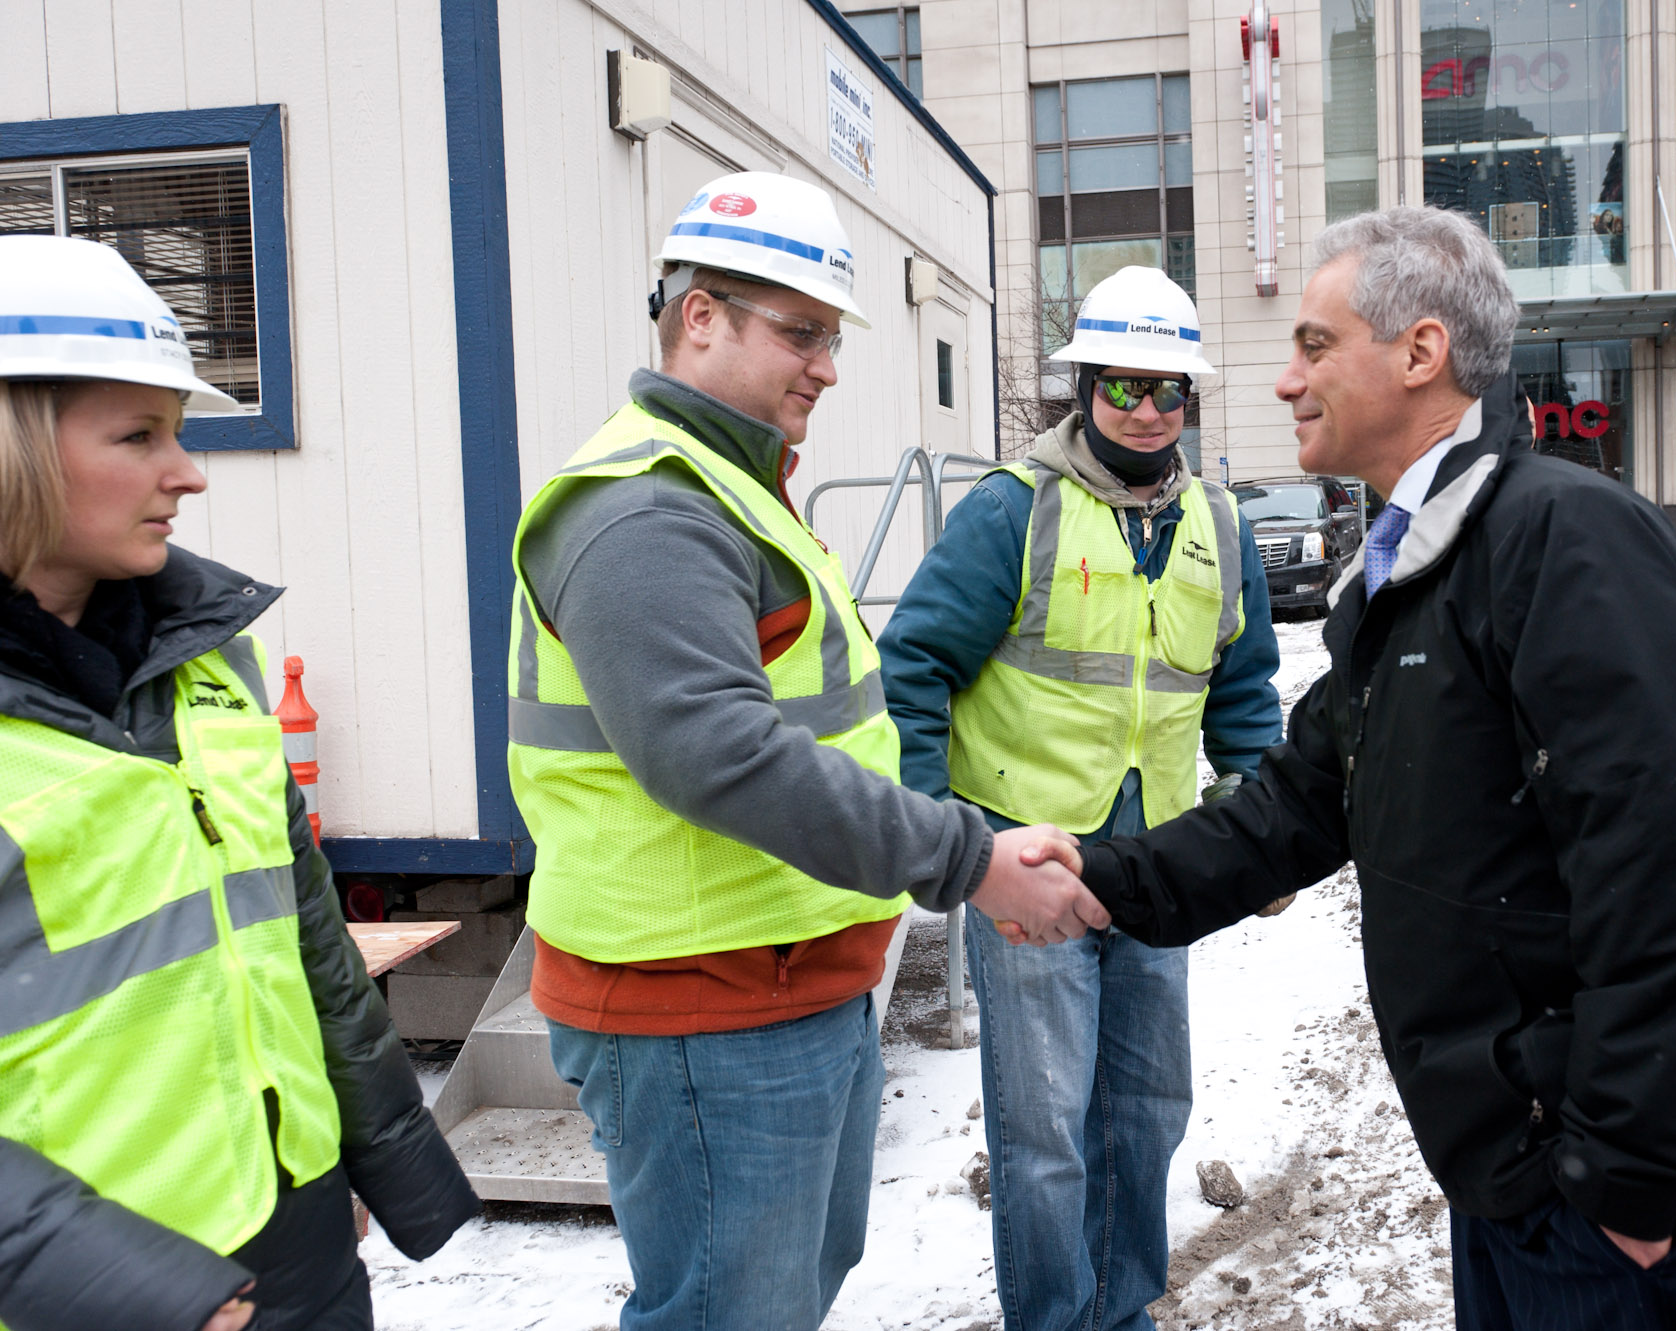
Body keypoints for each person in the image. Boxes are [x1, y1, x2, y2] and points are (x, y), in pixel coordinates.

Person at [1041, 207, 1676, 1330]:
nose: (1285, 382)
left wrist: (1624, 1179)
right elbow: (1295, 804)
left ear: (1419, 352)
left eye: (1311, 345)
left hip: (1606, 1161)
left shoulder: (1562, 537)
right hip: (1518, 1146)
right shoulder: (1408, 564)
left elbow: (1669, 871)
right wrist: (1093, 879)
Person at [506, 172, 1106, 1331]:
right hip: (695, 1000)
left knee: (778, 1292)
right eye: (801, 333)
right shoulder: (645, 511)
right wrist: (967, 858)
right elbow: (720, 753)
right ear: (699, 316)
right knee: (731, 1310)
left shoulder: (735, 491)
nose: (826, 366)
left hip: (779, 981)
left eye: (830, 337)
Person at [0, 236, 480, 1331]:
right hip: (86, 1291)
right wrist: (126, 1283)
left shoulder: (207, 659)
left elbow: (306, 941)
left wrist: (361, 1157)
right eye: (139, 435)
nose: (190, 471)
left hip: (291, 1229)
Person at [878, 265, 1283, 1331]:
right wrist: (937, 839)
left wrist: (1256, 824)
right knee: (1046, 1131)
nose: (1145, 412)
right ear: (1081, 387)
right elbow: (911, 666)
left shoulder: (1218, 523)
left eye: (1167, 392)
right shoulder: (1014, 511)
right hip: (1029, 871)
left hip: (1158, 871)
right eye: (1121, 387)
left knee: (1146, 1112)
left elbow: (1240, 693)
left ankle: (1122, 1311)